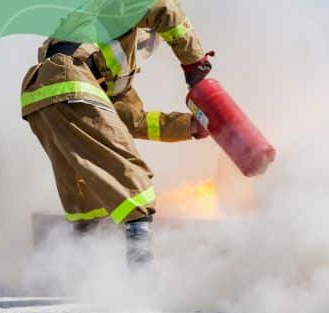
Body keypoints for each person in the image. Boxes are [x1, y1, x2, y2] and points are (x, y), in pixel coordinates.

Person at [20, 0, 213, 266]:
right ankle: (141, 268)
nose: (147, 47)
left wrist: (189, 126)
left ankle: (82, 271)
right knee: (128, 171)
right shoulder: (111, 7)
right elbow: (166, 9)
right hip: (69, 80)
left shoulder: (106, 63)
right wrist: (195, 64)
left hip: (41, 98)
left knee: (84, 189)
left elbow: (130, 120)